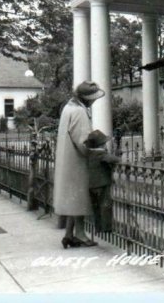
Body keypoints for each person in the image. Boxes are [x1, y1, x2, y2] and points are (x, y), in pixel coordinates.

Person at [53, 80, 106, 249]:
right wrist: (98, 151)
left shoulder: (69, 107)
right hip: (76, 161)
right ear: (86, 98)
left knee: (73, 198)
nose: (94, 101)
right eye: (92, 98)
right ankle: (81, 235)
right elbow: (83, 141)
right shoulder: (79, 112)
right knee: (80, 198)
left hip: (67, 160)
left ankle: (69, 235)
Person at [84, 130, 121, 233]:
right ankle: (107, 228)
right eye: (104, 143)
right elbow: (111, 159)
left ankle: (98, 227)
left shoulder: (88, 153)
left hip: (91, 184)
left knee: (95, 207)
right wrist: (119, 160)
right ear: (102, 145)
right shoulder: (100, 153)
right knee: (105, 205)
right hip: (102, 183)